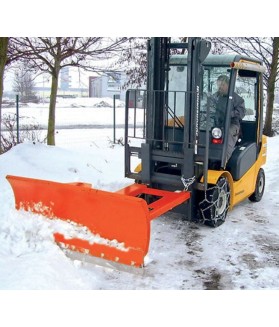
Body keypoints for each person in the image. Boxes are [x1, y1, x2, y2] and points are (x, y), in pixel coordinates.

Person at [211, 74, 245, 164]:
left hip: (232, 124)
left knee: (227, 133)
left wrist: (229, 114)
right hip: (218, 124)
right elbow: (208, 106)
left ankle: (223, 162)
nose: (220, 87)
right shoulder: (215, 97)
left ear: (228, 85)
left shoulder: (236, 98)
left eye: (222, 85)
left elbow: (241, 112)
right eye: (218, 85)